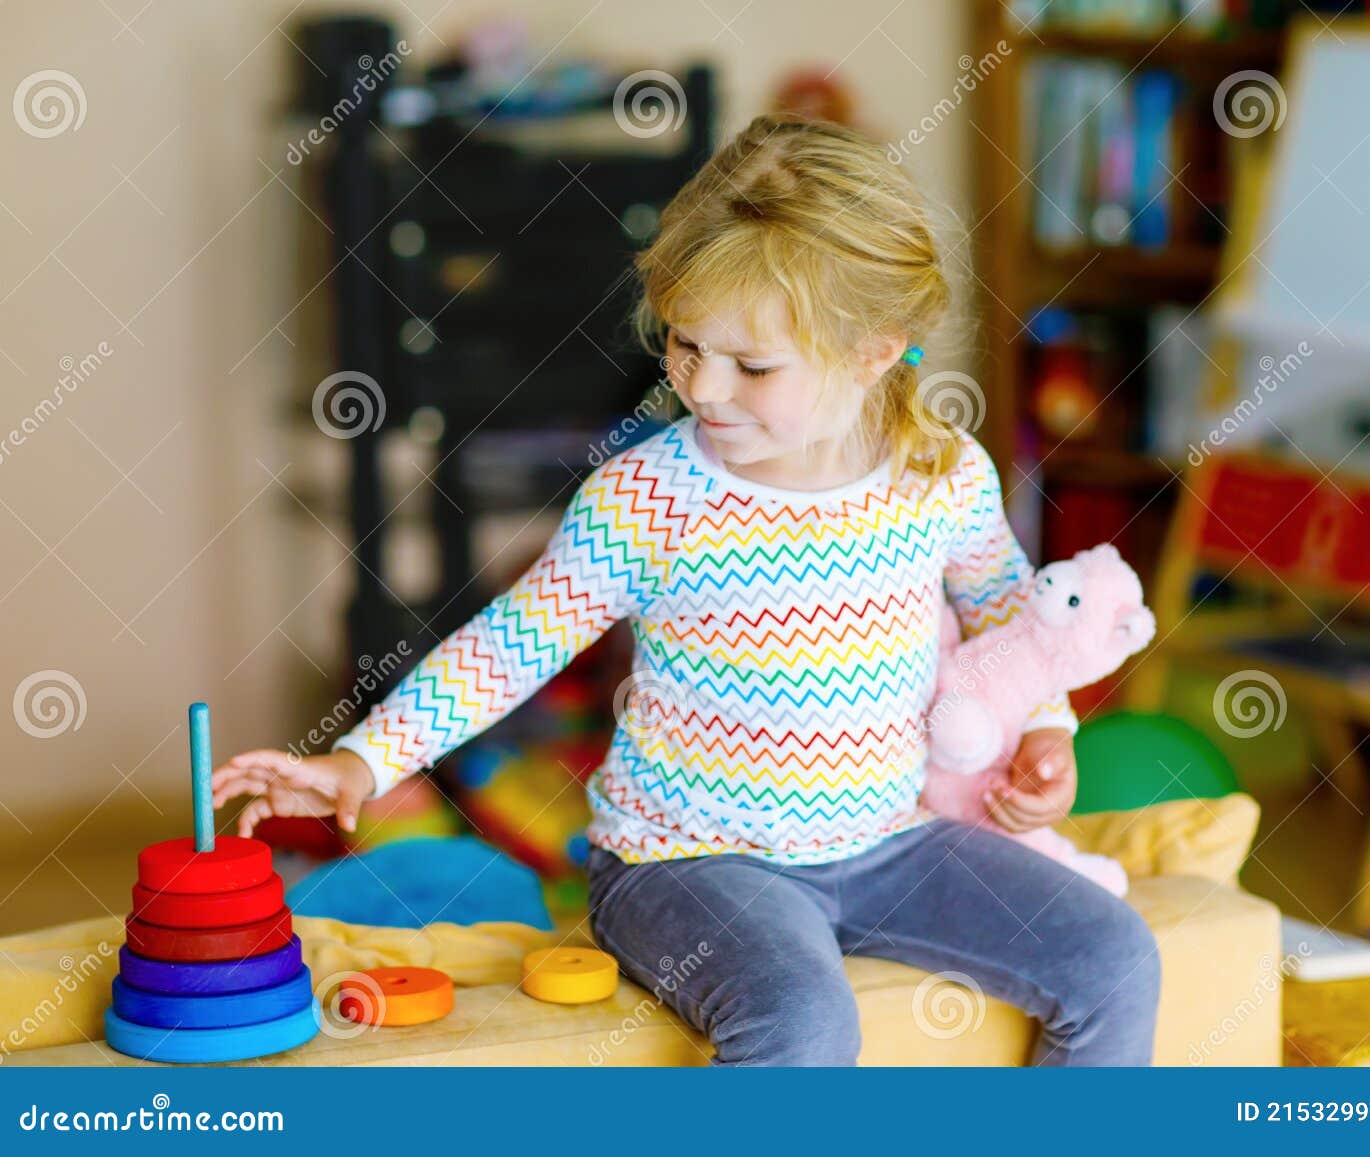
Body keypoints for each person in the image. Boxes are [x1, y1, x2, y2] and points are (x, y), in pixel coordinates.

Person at [212, 113, 1160, 1066]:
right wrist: (365, 760)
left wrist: (1046, 727)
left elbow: (1009, 613)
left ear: (875, 349)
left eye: (751, 364)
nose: (704, 386)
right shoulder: (648, 497)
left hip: (889, 844)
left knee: (1117, 960)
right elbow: (514, 641)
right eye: (684, 343)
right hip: (685, 863)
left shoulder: (942, 472)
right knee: (801, 1020)